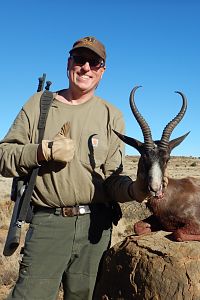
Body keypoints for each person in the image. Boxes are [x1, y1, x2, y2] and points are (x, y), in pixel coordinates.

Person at [0, 36, 149, 300]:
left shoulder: (111, 115)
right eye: (80, 60)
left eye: (94, 63)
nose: (86, 68)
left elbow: (113, 180)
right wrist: (42, 151)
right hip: (48, 224)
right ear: (69, 63)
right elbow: (3, 156)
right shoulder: (39, 104)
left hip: (96, 227)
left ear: (102, 71)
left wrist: (136, 189)